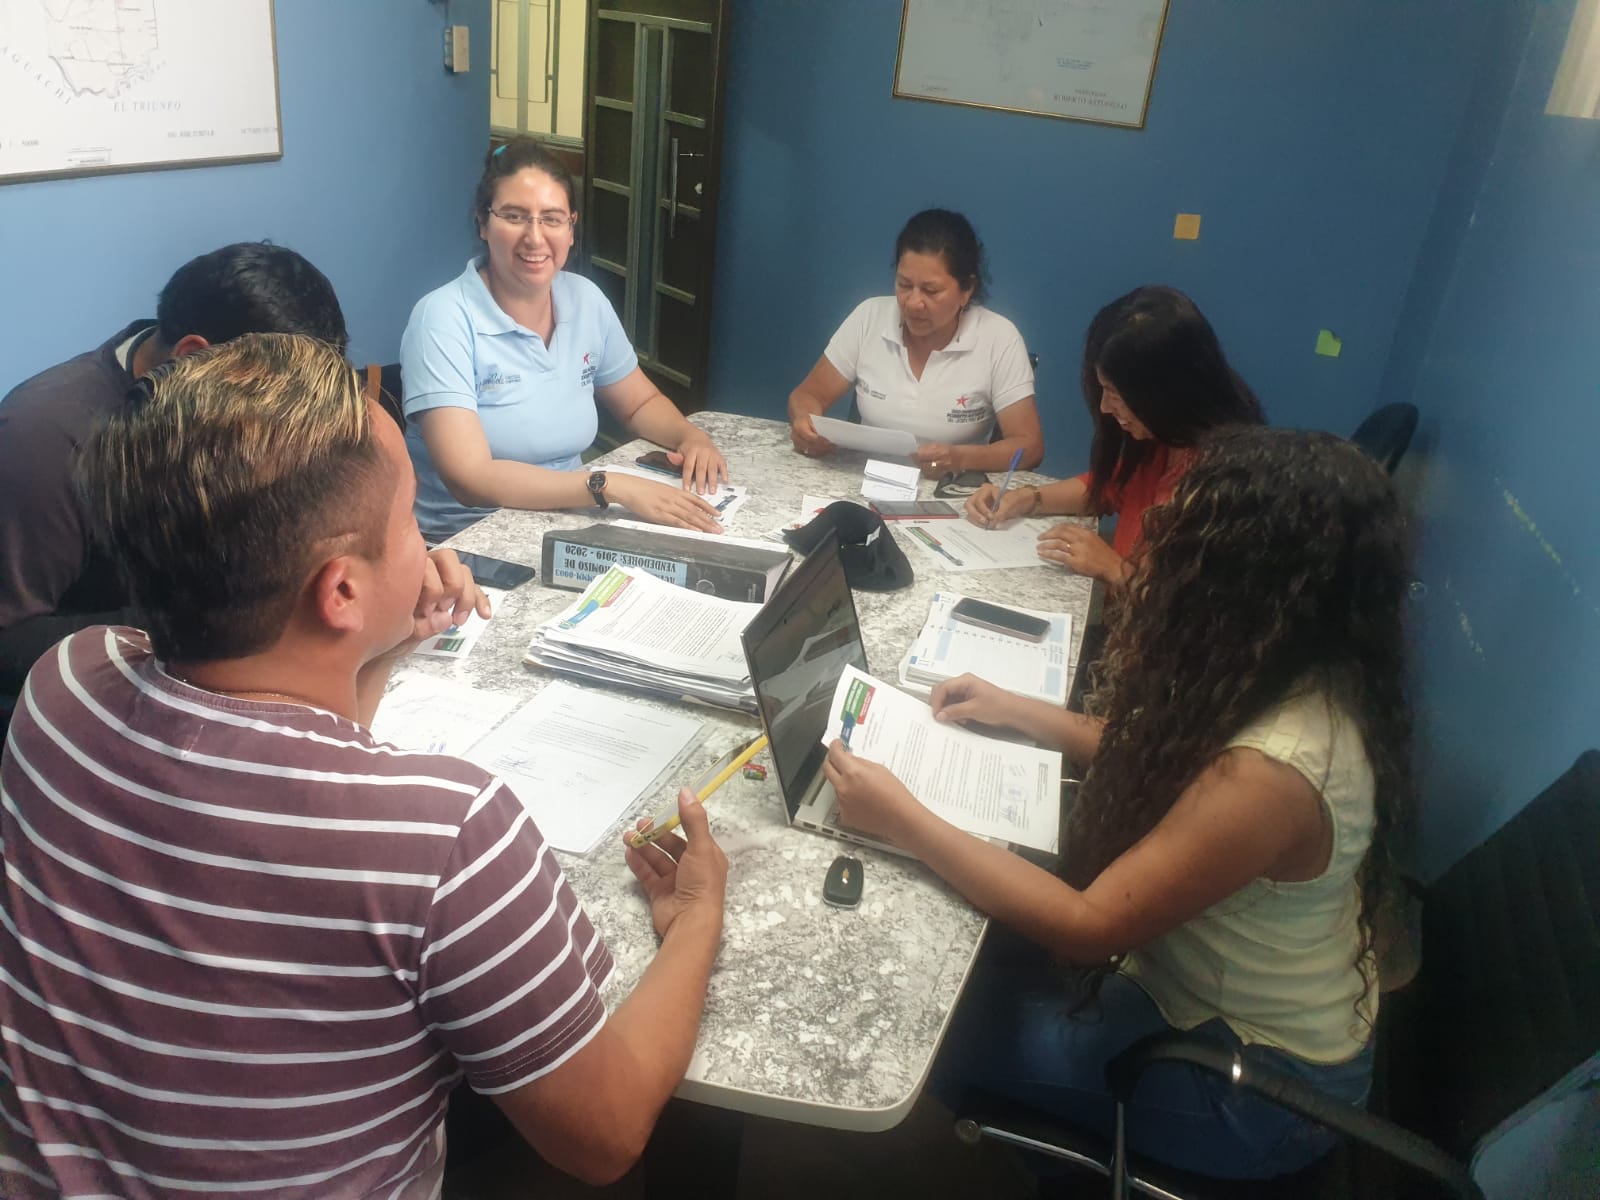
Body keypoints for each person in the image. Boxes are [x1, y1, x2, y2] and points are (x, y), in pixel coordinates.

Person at [0, 334, 728, 1197]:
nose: (426, 547)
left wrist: (370, 647)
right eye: (411, 519)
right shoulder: (445, 836)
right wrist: (696, 918)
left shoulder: (64, 686)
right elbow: (602, 1137)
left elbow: (281, 745)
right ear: (339, 590)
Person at [823, 427, 1412, 1181]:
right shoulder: (1294, 668)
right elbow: (1171, 755)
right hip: (1191, 1004)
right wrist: (1019, 709)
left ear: (1250, 579)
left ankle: (1064, 1159)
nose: (1155, 556)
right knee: (963, 952)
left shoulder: (1276, 772)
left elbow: (1086, 927)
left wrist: (902, 815)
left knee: (913, 1022)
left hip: (1249, 1088)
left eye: (1183, 546)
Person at [0, 242, 357, 727]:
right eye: (279, 396)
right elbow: (8, 642)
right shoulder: (46, 437)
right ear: (194, 359)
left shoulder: (232, 406)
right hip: (84, 716)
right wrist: (209, 619)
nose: (285, 418)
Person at [402, 137, 728, 540]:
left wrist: (690, 437)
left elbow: (638, 403)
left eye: (552, 219)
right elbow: (470, 477)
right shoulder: (442, 318)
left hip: (566, 522)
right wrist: (605, 486)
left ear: (571, 228)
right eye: (514, 216)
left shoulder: (586, 300)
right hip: (466, 541)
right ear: (483, 224)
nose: (535, 238)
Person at [965, 285, 1262, 586]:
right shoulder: (1162, 443)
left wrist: (1115, 569)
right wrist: (1027, 498)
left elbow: (1197, 609)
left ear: (1165, 391)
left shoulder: (1225, 486)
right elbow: (1107, 488)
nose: (1105, 407)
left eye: (1115, 393)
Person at [788, 209, 1044, 477]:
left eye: (930, 291)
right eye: (904, 285)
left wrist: (959, 457)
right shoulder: (869, 316)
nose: (913, 303)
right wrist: (805, 423)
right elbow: (807, 394)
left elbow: (1030, 446)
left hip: (951, 488)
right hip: (865, 479)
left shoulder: (998, 338)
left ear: (966, 289)